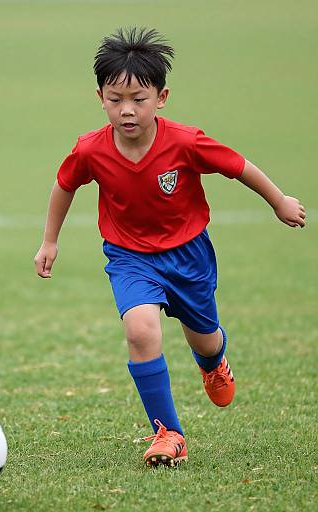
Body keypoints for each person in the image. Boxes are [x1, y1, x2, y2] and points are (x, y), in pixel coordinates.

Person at [33, 27, 306, 467]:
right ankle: (168, 433)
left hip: (188, 254)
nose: (126, 110)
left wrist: (279, 201)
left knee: (205, 337)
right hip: (129, 257)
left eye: (138, 99)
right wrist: (50, 241)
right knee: (140, 330)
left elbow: (239, 167)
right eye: (115, 99)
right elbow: (64, 186)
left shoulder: (185, 141)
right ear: (99, 96)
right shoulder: (90, 149)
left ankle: (214, 362)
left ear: (161, 97)